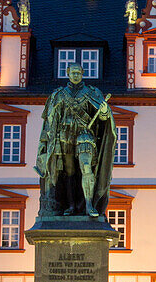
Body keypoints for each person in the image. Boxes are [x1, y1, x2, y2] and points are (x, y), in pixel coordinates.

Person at [35, 64, 116, 218]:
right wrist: (45, 146)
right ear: (68, 73)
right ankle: (71, 206)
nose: (76, 75)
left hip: (85, 136)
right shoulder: (58, 95)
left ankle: (88, 205)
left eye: (79, 73)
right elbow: (49, 123)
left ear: (83, 74)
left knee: (86, 167)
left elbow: (103, 118)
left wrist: (105, 112)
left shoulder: (92, 93)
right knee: (69, 173)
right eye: (73, 73)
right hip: (64, 137)